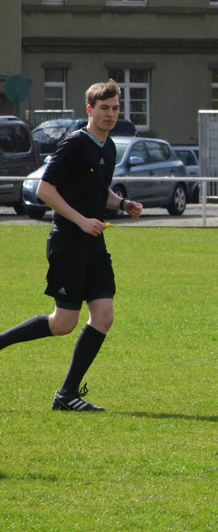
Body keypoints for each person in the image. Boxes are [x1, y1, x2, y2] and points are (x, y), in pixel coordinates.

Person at [0, 79, 143, 411]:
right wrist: (80, 220)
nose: (110, 114)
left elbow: (98, 191)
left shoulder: (108, 147)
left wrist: (122, 204)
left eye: (115, 108)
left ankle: (66, 395)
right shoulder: (75, 144)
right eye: (104, 108)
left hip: (94, 243)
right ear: (90, 110)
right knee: (63, 323)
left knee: (103, 317)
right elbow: (44, 189)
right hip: (68, 242)